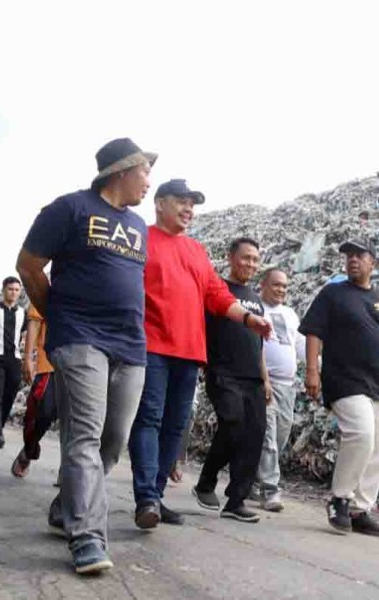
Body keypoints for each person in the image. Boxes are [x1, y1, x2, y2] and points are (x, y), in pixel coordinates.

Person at [16, 137, 155, 574]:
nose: (148, 182)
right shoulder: (70, 209)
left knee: (113, 440)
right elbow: (28, 264)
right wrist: (57, 313)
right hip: (80, 338)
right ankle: (87, 537)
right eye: (144, 172)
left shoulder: (138, 226)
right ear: (121, 171)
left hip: (130, 345)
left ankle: (65, 507)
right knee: (84, 437)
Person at [128, 180, 272, 530]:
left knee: (175, 426)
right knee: (149, 418)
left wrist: (249, 318)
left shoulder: (195, 250)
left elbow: (216, 295)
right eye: (181, 202)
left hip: (189, 353)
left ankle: (157, 497)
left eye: (192, 204)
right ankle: (146, 496)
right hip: (151, 346)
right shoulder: (140, 238)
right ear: (159, 203)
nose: (188, 209)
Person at [299, 238, 379, 537]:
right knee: (362, 434)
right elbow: (314, 331)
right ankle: (339, 499)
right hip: (344, 379)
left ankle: (360, 509)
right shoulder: (333, 294)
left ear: (374, 263)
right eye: (348, 256)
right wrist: (312, 371)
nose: (352, 260)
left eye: (359, 255)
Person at [193, 237, 273, 524]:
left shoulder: (255, 299)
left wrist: (265, 379)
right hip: (222, 372)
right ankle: (206, 480)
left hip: (252, 377)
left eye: (255, 259)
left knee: (254, 434)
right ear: (230, 257)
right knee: (233, 423)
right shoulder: (217, 290)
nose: (250, 264)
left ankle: (236, 501)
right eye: (245, 257)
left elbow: (258, 344)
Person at [252, 268, 305, 512]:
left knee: (281, 435)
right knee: (268, 437)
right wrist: (263, 380)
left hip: (288, 385)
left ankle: (252, 477)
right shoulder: (255, 310)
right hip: (264, 382)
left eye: (284, 286)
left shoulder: (290, 314)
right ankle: (270, 490)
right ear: (263, 285)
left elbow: (301, 346)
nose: (281, 290)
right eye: (276, 285)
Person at [10, 303, 56, 478]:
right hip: (51, 363)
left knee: (77, 421)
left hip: (86, 366)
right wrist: (28, 357)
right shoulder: (54, 282)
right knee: (42, 412)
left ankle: (70, 471)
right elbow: (35, 321)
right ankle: (29, 449)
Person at [0, 276, 26, 449]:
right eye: (10, 289)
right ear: (3, 290)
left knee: (10, 394)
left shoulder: (23, 313)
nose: (13, 293)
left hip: (14, 359)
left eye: (16, 290)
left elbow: (24, 334)